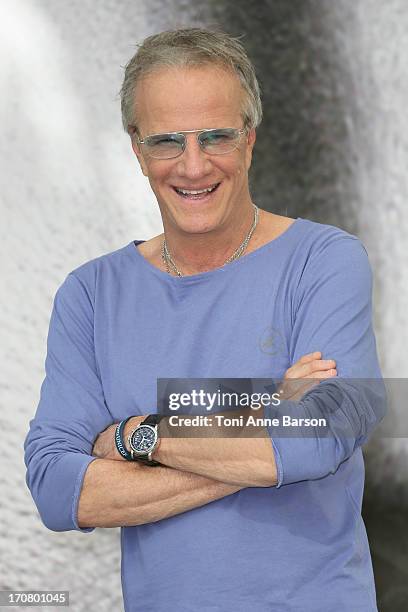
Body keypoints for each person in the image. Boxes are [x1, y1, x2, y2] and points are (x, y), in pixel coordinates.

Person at [24, 28, 385, 612]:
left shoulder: (325, 259)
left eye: (215, 136)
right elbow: (58, 488)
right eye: (167, 141)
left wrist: (139, 434)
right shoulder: (90, 294)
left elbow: (327, 433)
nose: (193, 166)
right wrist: (271, 410)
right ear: (138, 151)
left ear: (249, 140)